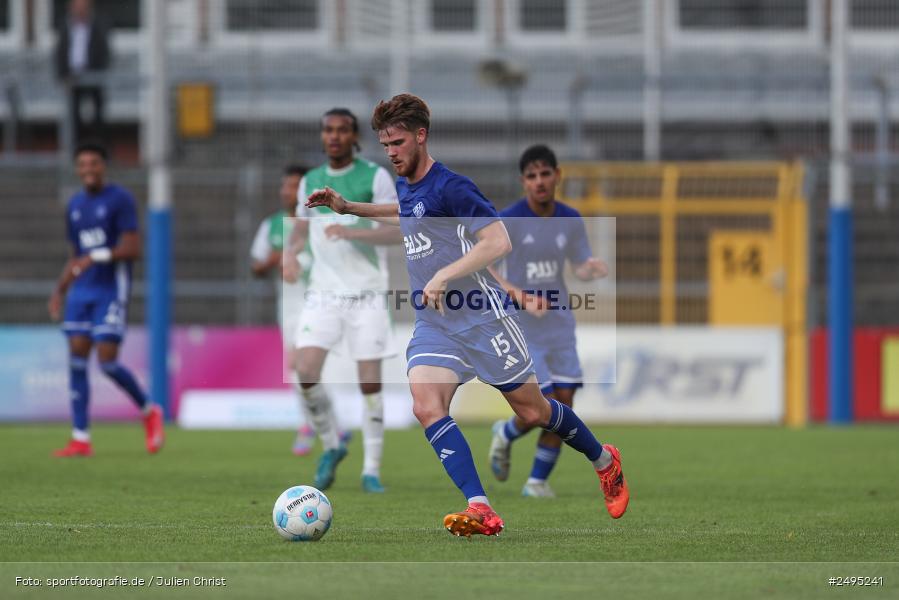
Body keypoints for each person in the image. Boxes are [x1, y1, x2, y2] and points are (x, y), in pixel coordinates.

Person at [305, 94, 629, 537]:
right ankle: (480, 507)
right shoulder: (407, 183)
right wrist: (350, 207)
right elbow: (408, 213)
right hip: (437, 325)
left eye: (398, 142)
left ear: (421, 136)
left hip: (483, 318)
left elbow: (498, 242)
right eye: (386, 145)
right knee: (426, 406)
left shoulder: (453, 186)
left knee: (534, 412)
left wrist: (442, 275)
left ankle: (605, 461)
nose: (392, 153)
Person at [283, 108, 401, 493]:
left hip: (367, 294)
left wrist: (353, 234)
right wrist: (289, 255)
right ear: (322, 136)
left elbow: (397, 230)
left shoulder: (375, 177)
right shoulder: (310, 182)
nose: (334, 136)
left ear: (354, 137)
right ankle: (332, 445)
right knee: (305, 369)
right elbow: (300, 230)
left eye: (342, 131)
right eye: (328, 130)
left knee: (370, 383)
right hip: (324, 294)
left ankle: (372, 470)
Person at [487, 144, 609, 498]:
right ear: (523, 182)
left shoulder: (570, 219)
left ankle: (536, 479)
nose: (539, 182)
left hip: (560, 325)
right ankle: (507, 434)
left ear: (558, 176)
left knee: (565, 405)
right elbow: (485, 266)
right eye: (531, 176)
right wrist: (519, 294)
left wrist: (591, 270)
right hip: (525, 330)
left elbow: (579, 266)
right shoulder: (508, 220)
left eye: (545, 174)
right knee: (545, 404)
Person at [48, 142, 163, 457]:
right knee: (76, 360)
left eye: (94, 163)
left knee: (108, 362)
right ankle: (80, 437)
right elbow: (75, 256)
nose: (88, 169)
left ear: (104, 166)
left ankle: (148, 410)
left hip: (111, 289)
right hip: (81, 291)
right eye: (82, 164)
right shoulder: (74, 205)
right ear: (77, 168)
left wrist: (95, 257)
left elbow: (132, 249)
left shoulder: (120, 200)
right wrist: (60, 289)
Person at [54, 0, 111, 145]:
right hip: (72, 79)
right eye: (77, 8)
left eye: (83, 8)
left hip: (93, 78)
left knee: (97, 114)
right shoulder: (65, 27)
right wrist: (63, 74)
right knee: (73, 115)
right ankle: (75, 147)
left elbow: (104, 53)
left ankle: (98, 146)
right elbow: (60, 53)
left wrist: (96, 72)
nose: (80, 11)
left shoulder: (97, 26)